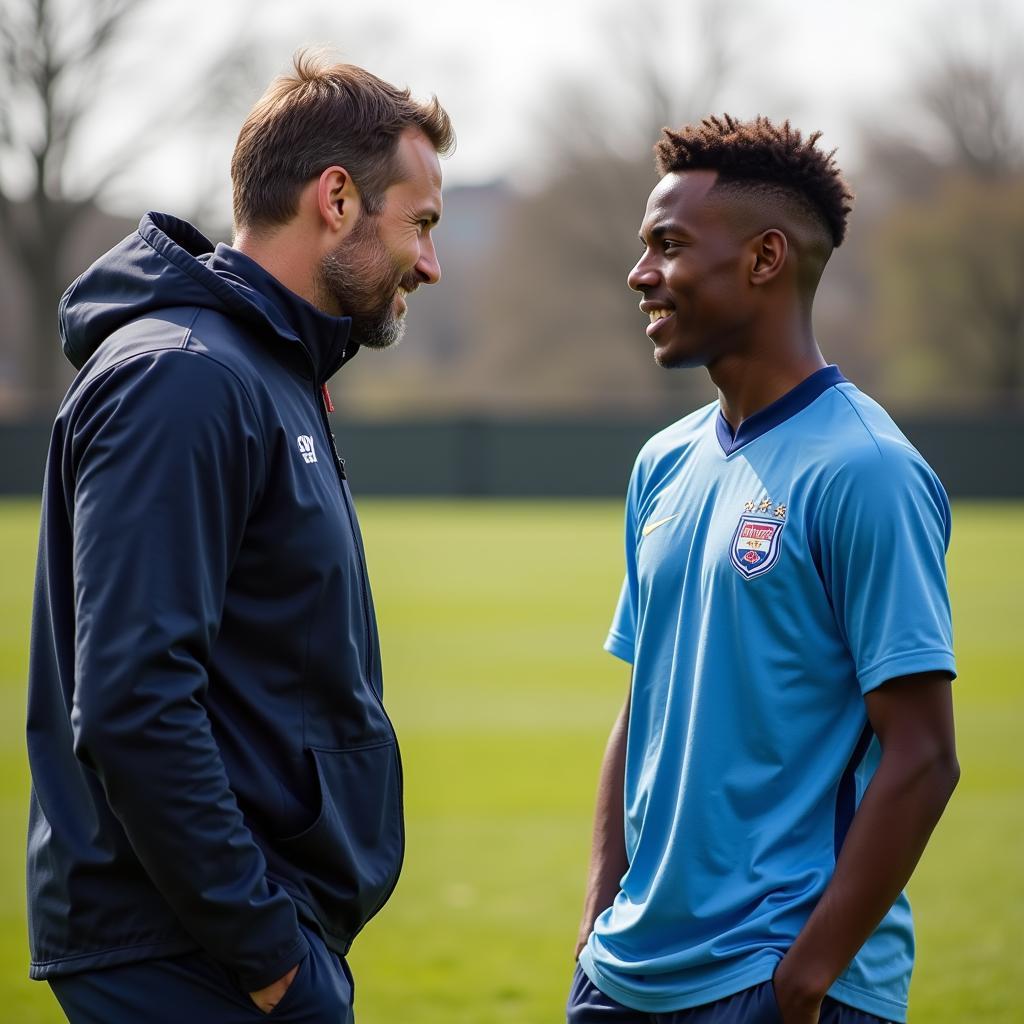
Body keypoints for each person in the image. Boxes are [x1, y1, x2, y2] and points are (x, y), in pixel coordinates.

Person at [26, 52, 452, 1023]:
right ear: (335, 198)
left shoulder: (260, 370)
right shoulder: (186, 377)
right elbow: (135, 701)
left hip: (233, 944)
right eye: (420, 226)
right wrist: (272, 963)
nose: (430, 263)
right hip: (195, 953)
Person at [569, 115, 959, 1024]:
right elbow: (643, 701)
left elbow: (923, 755)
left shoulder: (868, 470)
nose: (642, 274)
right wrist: (598, 914)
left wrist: (807, 975)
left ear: (765, 258)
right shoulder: (662, 462)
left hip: (775, 981)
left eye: (668, 245)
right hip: (627, 975)